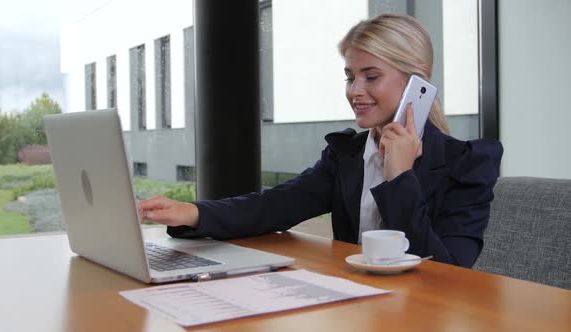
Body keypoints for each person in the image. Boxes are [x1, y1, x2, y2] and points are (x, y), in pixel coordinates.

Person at [138, 14, 503, 268]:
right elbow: (276, 205)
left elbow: (448, 270)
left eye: (371, 76)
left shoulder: (467, 164)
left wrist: (400, 177)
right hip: (353, 304)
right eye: (350, 77)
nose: (355, 91)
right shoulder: (346, 155)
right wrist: (194, 212)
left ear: (416, 84)